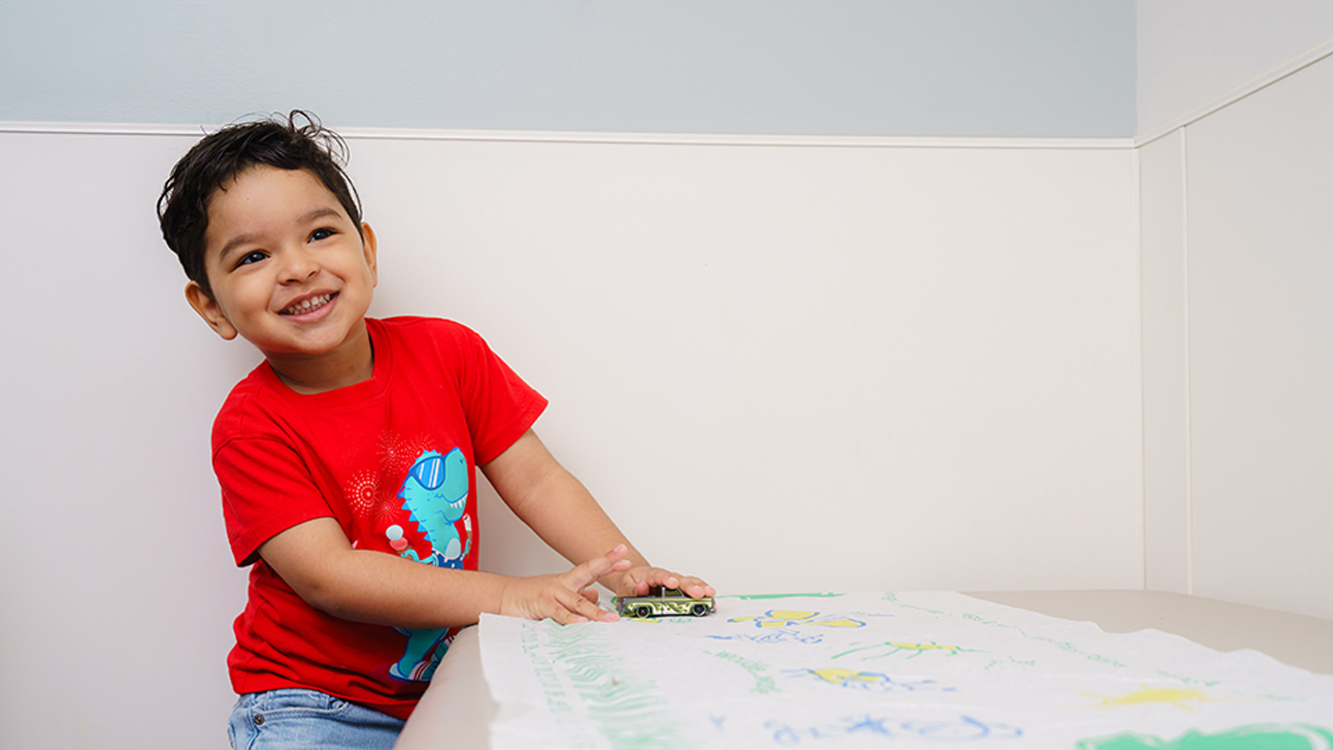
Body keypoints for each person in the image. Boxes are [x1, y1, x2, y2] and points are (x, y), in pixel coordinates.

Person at [157, 111, 713, 750]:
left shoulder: (447, 354)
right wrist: (509, 595)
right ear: (211, 306)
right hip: (310, 705)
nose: (297, 268)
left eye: (318, 233)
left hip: (446, 686)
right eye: (254, 255)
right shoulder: (251, 427)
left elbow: (536, 478)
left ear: (366, 250)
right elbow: (328, 577)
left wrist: (630, 577)